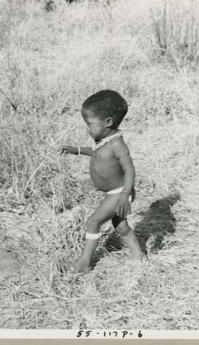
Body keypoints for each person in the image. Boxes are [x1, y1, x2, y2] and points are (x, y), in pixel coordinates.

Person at [61, 90, 145, 273]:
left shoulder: (118, 145)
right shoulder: (106, 141)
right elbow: (97, 153)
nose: (87, 129)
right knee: (121, 226)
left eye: (90, 124)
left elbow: (130, 170)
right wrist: (77, 150)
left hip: (119, 192)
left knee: (93, 222)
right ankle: (140, 256)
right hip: (114, 193)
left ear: (108, 122)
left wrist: (124, 196)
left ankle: (85, 263)